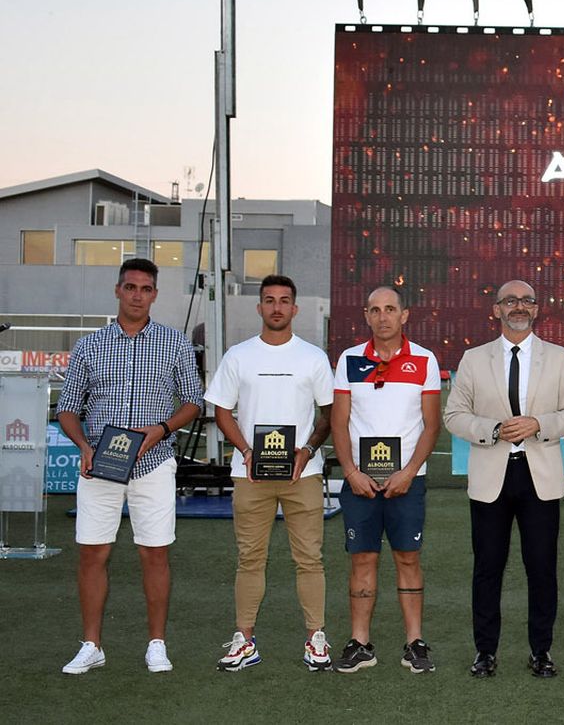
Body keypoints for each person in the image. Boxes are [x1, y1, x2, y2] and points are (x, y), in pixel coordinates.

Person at [57, 258, 204, 675]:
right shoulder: (90, 345)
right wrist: (83, 445)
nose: (137, 295)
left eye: (145, 288)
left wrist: (160, 429)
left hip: (154, 463)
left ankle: (156, 644)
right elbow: (68, 408)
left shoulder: (174, 343)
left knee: (154, 552)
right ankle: (91, 645)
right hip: (99, 465)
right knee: (92, 553)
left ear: (154, 294)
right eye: (130, 287)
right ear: (117, 290)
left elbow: (194, 401)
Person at [444, 280, 564, 678]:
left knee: (542, 568)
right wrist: (492, 429)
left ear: (536, 309)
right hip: (491, 475)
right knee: (488, 567)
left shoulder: (558, 358)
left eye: (525, 301)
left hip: (540, 476)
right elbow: (454, 415)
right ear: (496, 309)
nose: (517, 307)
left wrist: (539, 423)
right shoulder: (473, 359)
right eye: (509, 301)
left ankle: (542, 651)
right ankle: (485, 651)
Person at [208, 274, 336, 672]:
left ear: (295, 308)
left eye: (284, 300)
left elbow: (329, 415)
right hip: (250, 475)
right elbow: (222, 411)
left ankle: (316, 637)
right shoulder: (238, 355)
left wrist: (309, 450)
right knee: (250, 559)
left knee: (310, 560)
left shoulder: (313, 357)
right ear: (260, 307)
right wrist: (246, 451)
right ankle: (244, 639)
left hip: (304, 473)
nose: (277, 307)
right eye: (269, 300)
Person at [329, 285, 443, 674]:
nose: (383, 317)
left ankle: (415, 642)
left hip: (407, 482)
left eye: (390, 309)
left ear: (404, 314)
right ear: (366, 315)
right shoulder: (349, 360)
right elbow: (338, 422)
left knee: (407, 557)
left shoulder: (424, 360)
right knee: (362, 557)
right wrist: (350, 472)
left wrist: (409, 472)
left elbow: (432, 425)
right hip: (359, 481)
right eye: (375, 310)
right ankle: (360, 642)